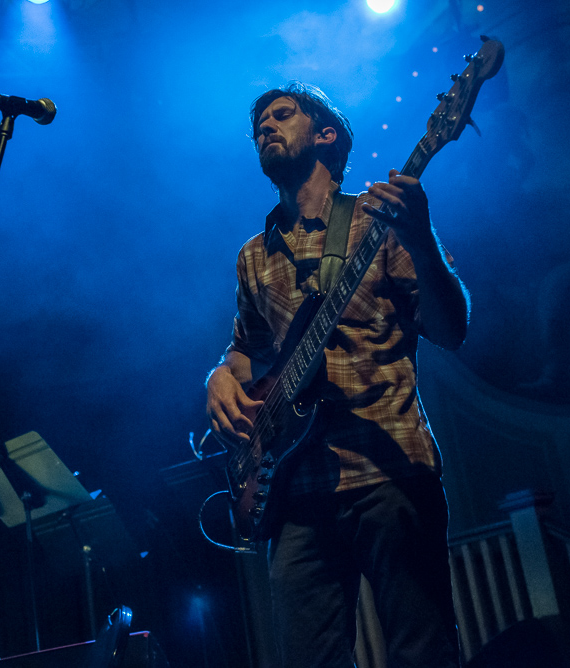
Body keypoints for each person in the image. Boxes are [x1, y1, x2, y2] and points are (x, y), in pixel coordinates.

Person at [205, 82, 469, 668]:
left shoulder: (382, 222)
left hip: (388, 469)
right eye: (258, 125)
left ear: (326, 134)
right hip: (296, 491)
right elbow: (245, 352)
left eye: (282, 115)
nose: (265, 128)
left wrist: (421, 237)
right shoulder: (253, 255)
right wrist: (219, 376)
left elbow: (451, 331)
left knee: (421, 652)